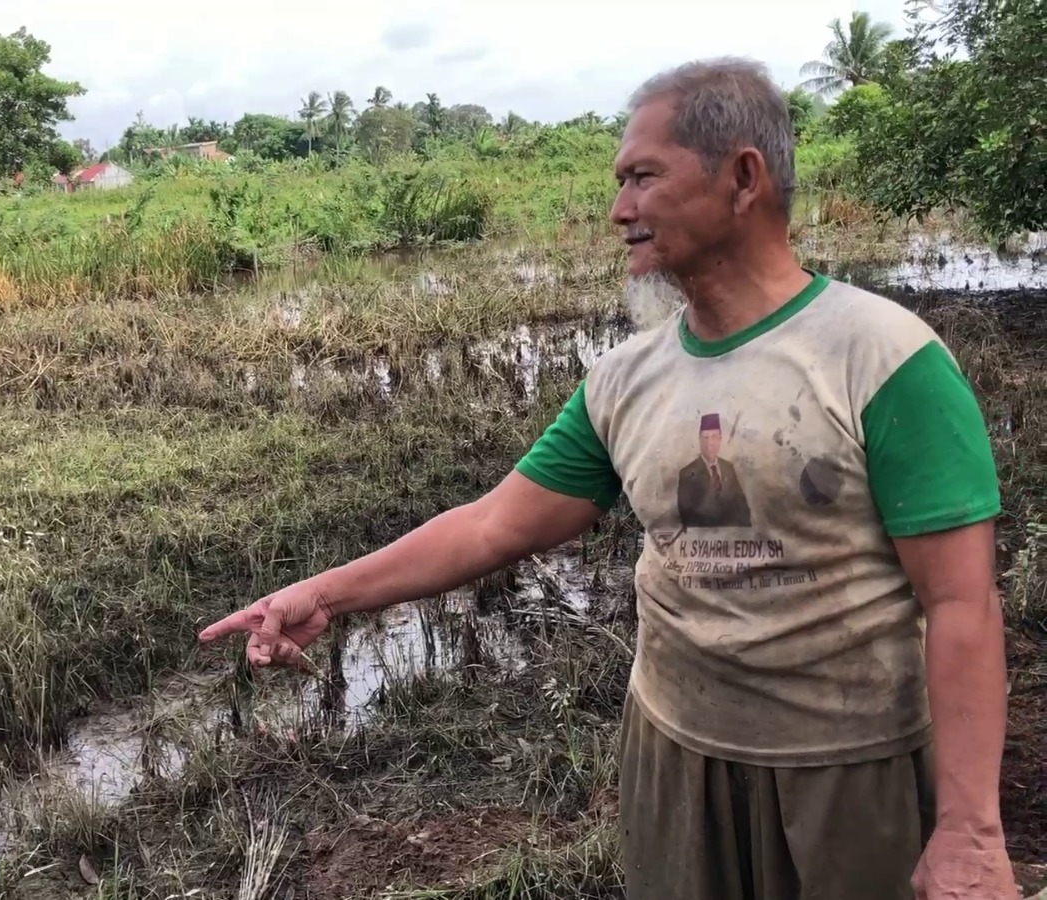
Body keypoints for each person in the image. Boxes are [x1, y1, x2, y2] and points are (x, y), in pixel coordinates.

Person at [198, 58, 1019, 900]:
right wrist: (324, 596)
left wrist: (970, 831)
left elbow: (961, 606)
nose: (618, 209)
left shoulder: (885, 359)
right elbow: (494, 525)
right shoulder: (626, 378)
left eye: (642, 177)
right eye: (619, 182)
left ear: (743, 178)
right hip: (675, 754)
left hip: (851, 768)